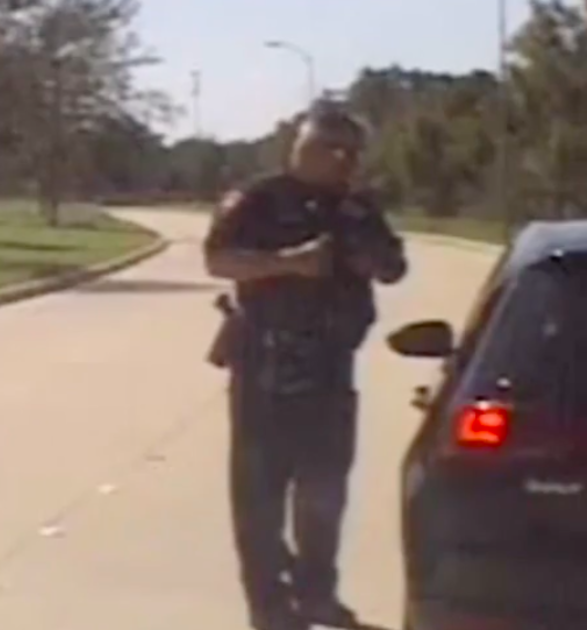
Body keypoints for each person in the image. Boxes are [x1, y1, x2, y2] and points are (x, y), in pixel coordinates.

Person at [203, 105, 408, 630]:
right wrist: (287, 262)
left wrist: (368, 257)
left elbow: (393, 268)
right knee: (260, 502)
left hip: (331, 373)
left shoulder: (359, 208)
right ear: (303, 147)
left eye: (350, 152)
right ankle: (270, 608)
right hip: (265, 372)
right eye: (329, 148)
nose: (341, 161)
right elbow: (219, 260)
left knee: (324, 495)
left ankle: (318, 593)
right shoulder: (258, 199)